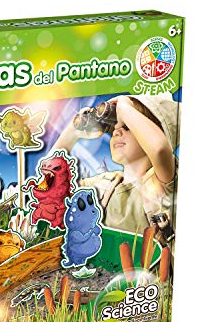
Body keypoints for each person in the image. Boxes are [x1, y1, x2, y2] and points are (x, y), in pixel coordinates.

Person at [51, 94, 180, 244]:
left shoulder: (163, 183)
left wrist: (124, 106)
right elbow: (51, 184)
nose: (116, 132)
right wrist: (72, 133)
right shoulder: (105, 184)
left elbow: (160, 150)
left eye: (127, 127)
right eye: (113, 129)